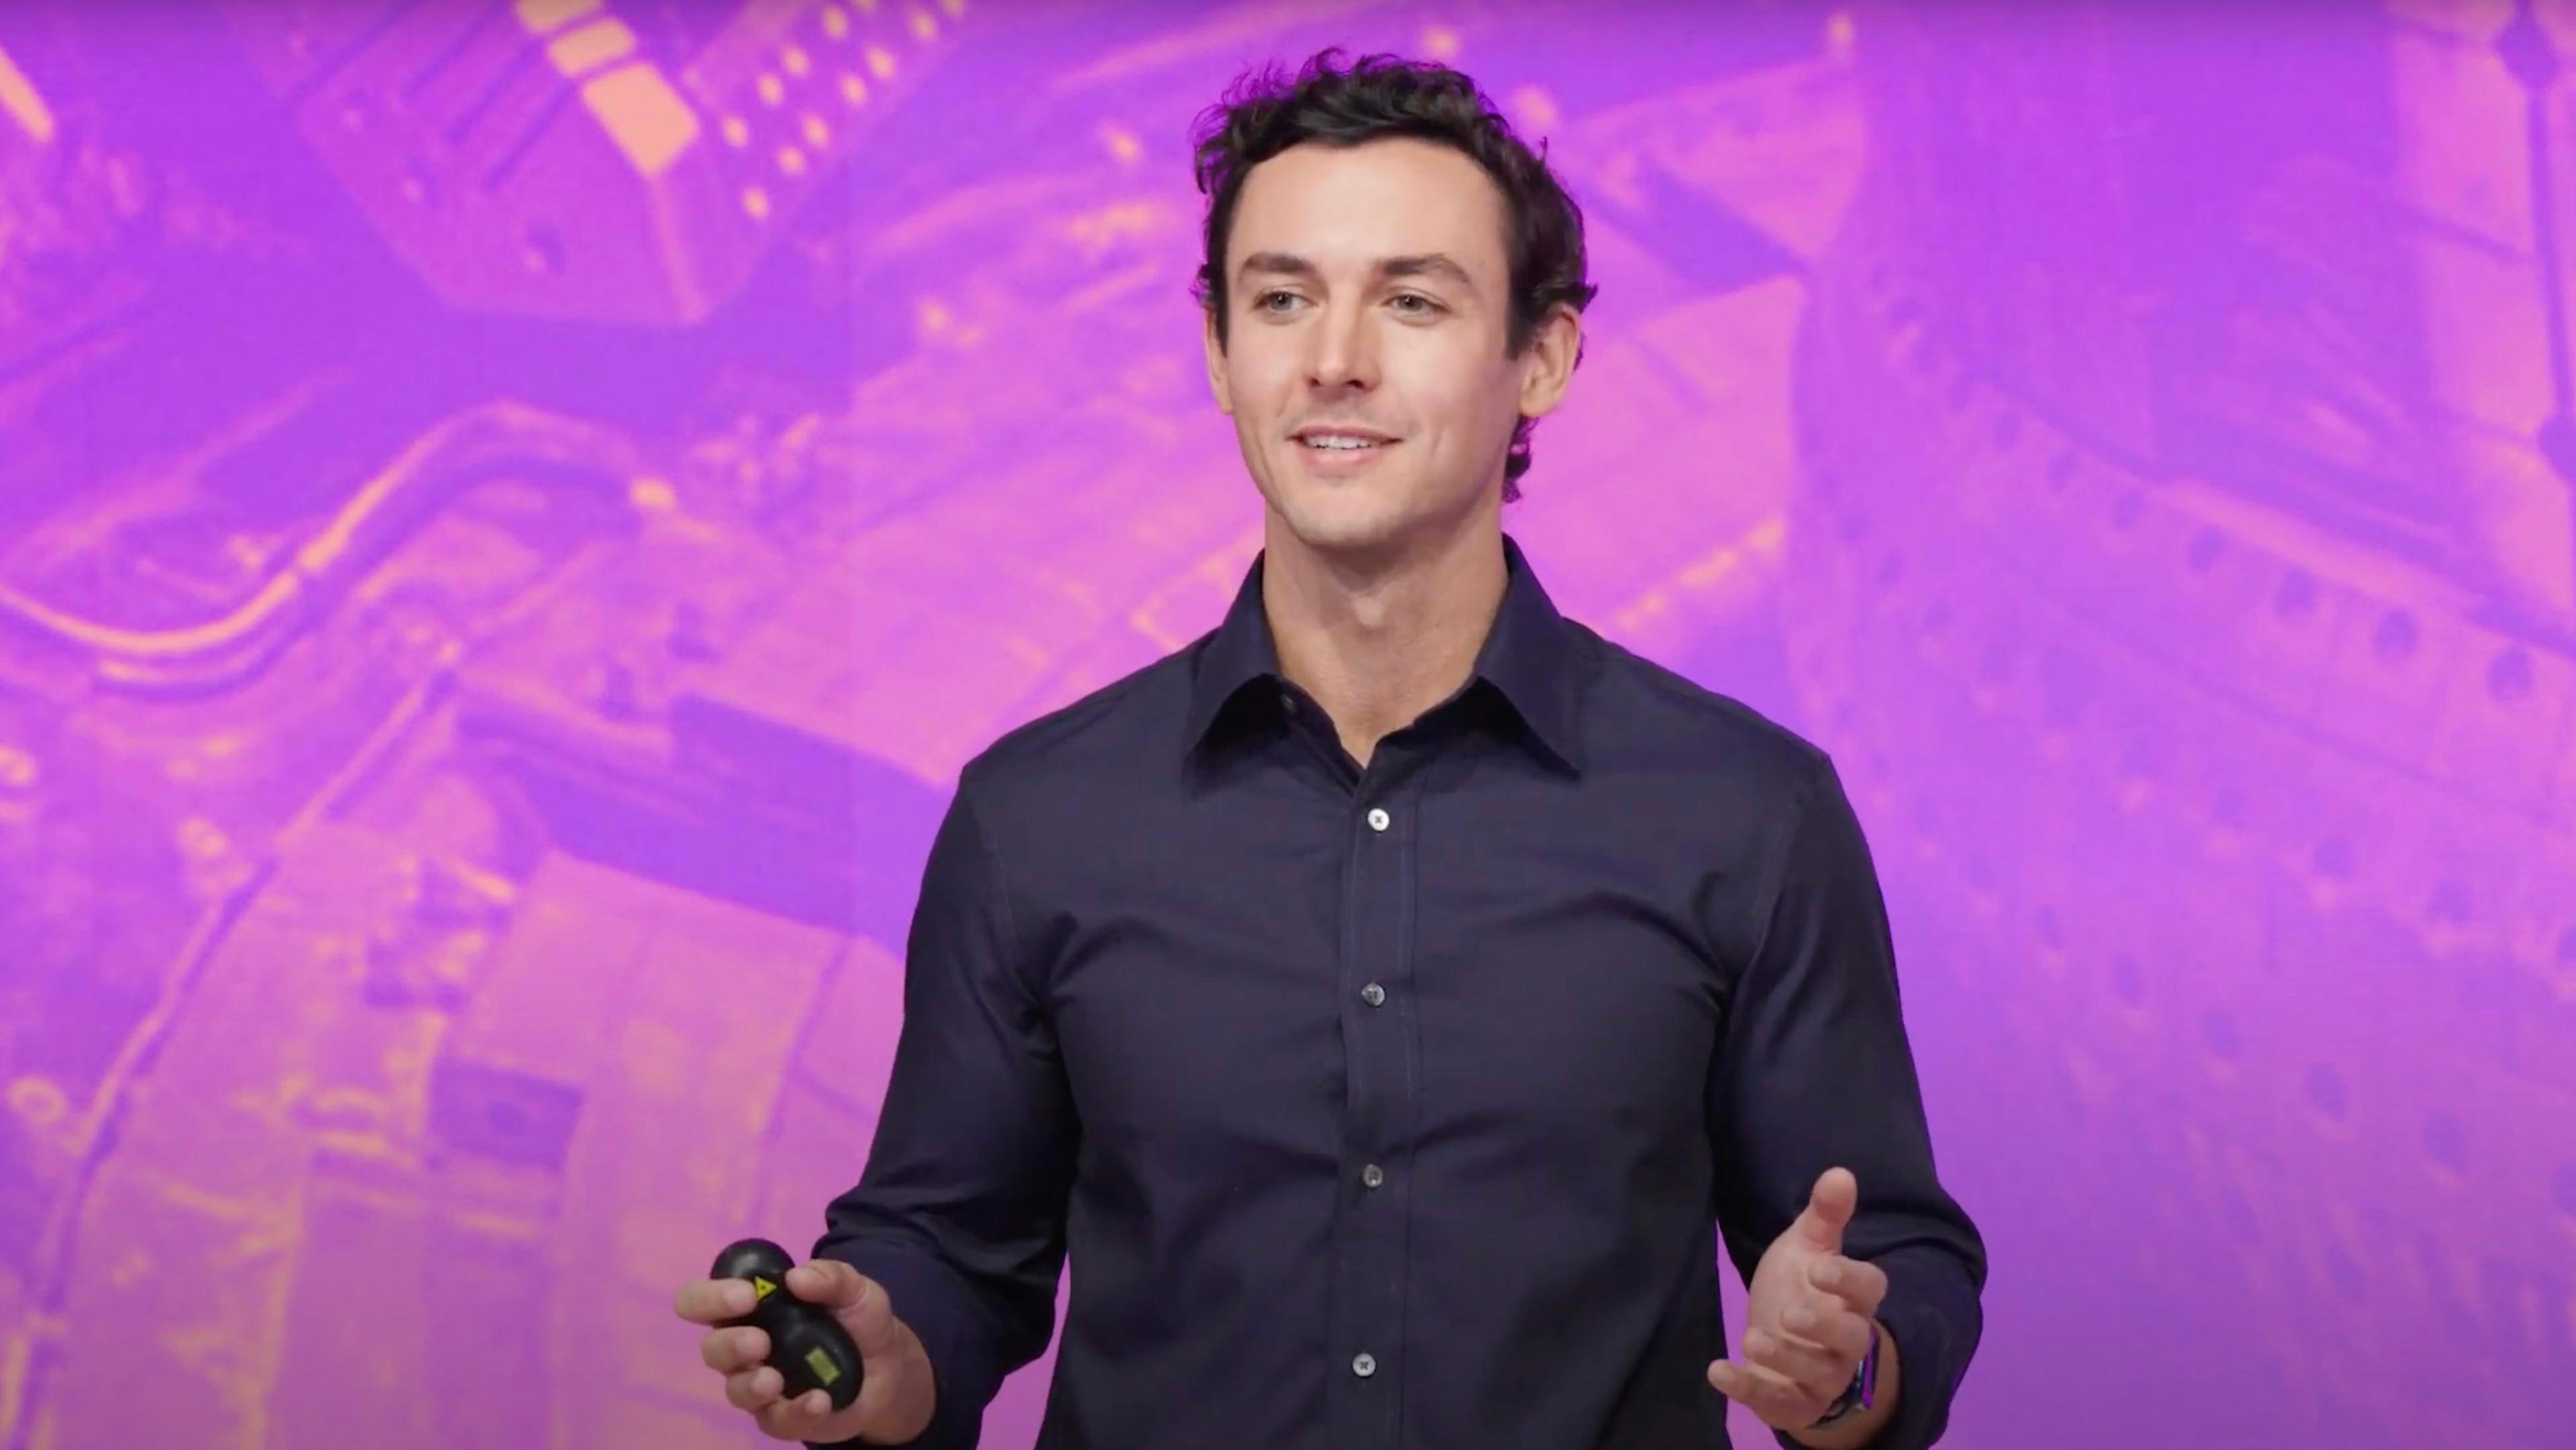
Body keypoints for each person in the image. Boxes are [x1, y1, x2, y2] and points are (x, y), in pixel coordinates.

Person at [674, 48, 1986, 1450]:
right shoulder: (1036, 816)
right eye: (1282, 297)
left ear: (1540, 357)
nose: (1335, 357)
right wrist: (889, 1356)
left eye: (1412, 300)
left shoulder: (1746, 811)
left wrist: (1843, 1368)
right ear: (1220, 351)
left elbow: (1896, 1264)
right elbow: (946, 1251)